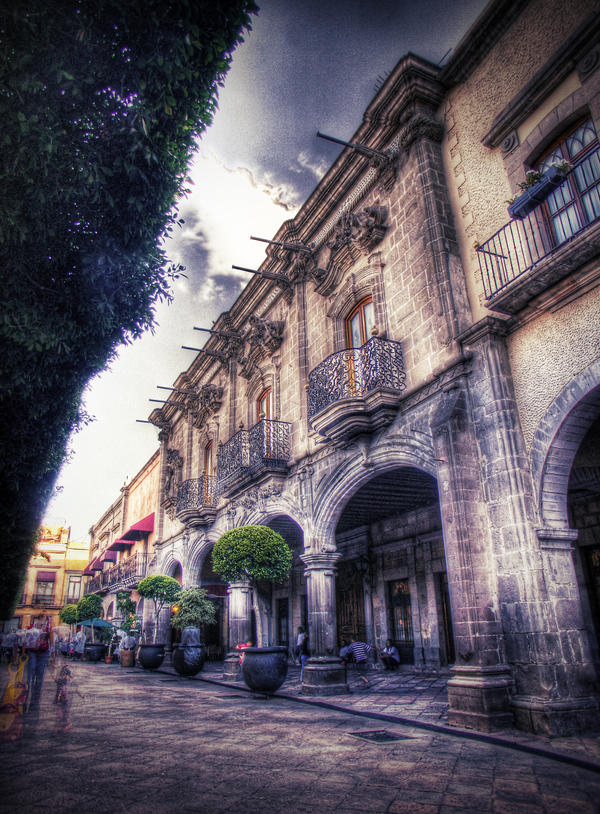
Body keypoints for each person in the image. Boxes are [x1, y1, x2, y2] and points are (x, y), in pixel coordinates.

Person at [22, 615, 52, 712]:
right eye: (41, 619)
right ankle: (26, 695)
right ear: (37, 620)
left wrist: (52, 655)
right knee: (31, 672)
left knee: (40, 675)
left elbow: (51, 641)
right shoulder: (30, 628)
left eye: (44, 620)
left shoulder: (48, 628)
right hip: (32, 652)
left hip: (43, 653)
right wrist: (23, 653)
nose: (42, 622)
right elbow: (25, 641)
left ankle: (35, 699)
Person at [51, 665, 84, 734]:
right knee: (59, 715)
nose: (65, 677)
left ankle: (68, 725)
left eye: (66, 675)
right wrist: (58, 668)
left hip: (66, 701)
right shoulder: (60, 681)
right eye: (63, 675)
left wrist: (81, 695)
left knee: (65, 715)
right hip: (59, 701)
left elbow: (76, 690)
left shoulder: (70, 683)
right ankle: (58, 727)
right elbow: (54, 677)